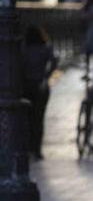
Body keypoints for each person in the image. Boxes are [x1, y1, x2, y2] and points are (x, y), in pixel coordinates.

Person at [23, 25, 58, 160]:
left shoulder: (24, 49)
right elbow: (54, 61)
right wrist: (46, 76)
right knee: (39, 118)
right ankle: (37, 149)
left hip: (27, 86)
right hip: (41, 86)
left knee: (27, 118)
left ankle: (28, 147)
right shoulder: (46, 48)